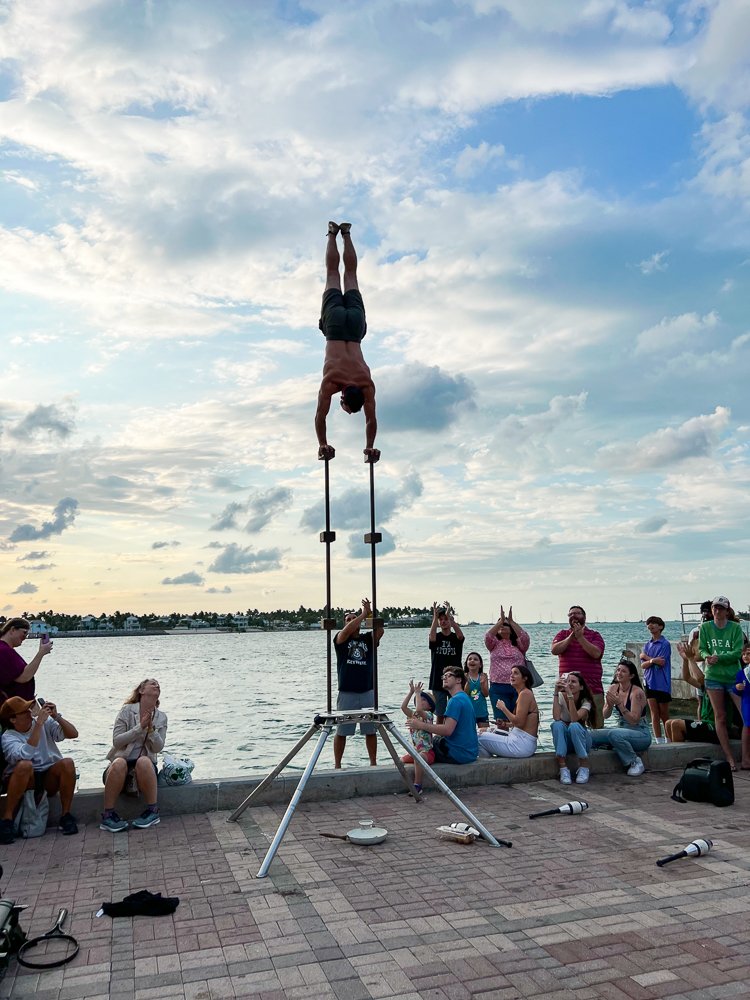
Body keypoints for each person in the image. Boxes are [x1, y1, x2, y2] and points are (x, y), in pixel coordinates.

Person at [315, 222, 378, 463]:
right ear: (342, 397)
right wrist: (322, 443)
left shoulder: (367, 385)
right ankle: (332, 232)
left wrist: (371, 446)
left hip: (355, 328)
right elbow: (320, 417)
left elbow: (371, 419)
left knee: (350, 276)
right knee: (333, 275)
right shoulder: (331, 383)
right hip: (334, 328)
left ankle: (346, 232)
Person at [0, 695, 78, 844]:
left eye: (29, 709)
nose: (30, 713)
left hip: (48, 776)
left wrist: (56, 717)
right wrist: (39, 725)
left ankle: (66, 815)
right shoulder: (8, 737)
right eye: (24, 712)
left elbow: (73, 734)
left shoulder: (44, 723)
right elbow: (26, 754)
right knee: (25, 765)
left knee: (67, 763)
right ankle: (7, 819)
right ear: (12, 719)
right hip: (25, 780)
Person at [100, 678, 167, 832]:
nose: (156, 685)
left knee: (144, 761)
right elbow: (117, 741)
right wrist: (139, 728)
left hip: (145, 770)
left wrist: (151, 731)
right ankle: (108, 816)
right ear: (141, 691)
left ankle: (153, 811)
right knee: (119, 762)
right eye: (152, 683)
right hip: (120, 768)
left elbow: (158, 747)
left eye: (158, 684)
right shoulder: (127, 711)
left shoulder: (161, 717)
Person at [333, 598, 384, 768]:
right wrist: (362, 614)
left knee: (370, 730)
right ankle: (338, 764)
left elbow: (380, 631)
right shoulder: (340, 639)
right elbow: (346, 631)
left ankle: (373, 762)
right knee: (342, 731)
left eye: (353, 619)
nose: (352, 622)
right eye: (348, 619)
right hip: (347, 692)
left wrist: (369, 612)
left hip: (366, 691)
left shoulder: (367, 639)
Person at [665, 638, 741, 745]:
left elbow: (700, 678)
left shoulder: (722, 684)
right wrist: (686, 660)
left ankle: (679, 756)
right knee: (668, 723)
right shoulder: (709, 684)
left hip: (717, 726)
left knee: (676, 724)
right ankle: (672, 751)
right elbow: (687, 678)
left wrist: (691, 659)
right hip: (706, 723)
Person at [698, 596, 744, 771]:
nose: (717, 611)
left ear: (727, 610)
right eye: (715, 608)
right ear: (711, 609)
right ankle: (729, 758)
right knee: (720, 716)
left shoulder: (735, 628)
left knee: (745, 713)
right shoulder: (705, 628)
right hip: (713, 677)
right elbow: (702, 648)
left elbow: (737, 651)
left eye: (721, 608)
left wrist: (720, 658)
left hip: (733, 676)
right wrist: (706, 657)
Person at [591, 656, 651, 775]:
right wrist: (609, 704)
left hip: (640, 733)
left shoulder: (637, 692)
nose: (619, 673)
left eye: (623, 671)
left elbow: (634, 720)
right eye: (618, 670)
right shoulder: (613, 688)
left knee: (614, 734)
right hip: (622, 730)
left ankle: (635, 762)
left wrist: (620, 704)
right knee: (590, 735)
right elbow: (605, 715)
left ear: (631, 676)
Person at [406, 667, 478, 765]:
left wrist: (420, 725)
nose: (444, 678)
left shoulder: (455, 701)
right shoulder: (465, 698)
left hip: (457, 754)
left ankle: (416, 770)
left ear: (459, 680)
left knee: (426, 746)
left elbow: (447, 730)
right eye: (443, 676)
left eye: (448, 676)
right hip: (471, 753)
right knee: (434, 740)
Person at [551, 606, 605, 726]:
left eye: (577, 613)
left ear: (584, 617)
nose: (573, 616)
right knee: (568, 724)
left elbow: (596, 653)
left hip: (593, 688)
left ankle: (597, 745)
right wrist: (572, 636)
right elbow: (554, 650)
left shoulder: (594, 635)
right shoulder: (562, 634)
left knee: (596, 724)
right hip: (568, 691)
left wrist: (580, 637)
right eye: (570, 614)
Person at [477, 664, 539, 759]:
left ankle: (487, 764)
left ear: (525, 678)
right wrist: (506, 725)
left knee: (477, 738)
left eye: (516, 673)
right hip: (518, 738)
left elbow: (519, 723)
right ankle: (489, 762)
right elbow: (522, 724)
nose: (511, 676)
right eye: (511, 673)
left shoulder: (525, 694)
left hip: (521, 744)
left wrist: (503, 708)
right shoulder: (523, 693)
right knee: (481, 730)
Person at [550, 670, 598, 784]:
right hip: (567, 743)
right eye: (568, 681)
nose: (570, 684)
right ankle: (563, 768)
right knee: (556, 724)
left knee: (574, 726)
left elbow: (574, 718)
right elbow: (556, 717)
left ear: (581, 687)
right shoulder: (561, 696)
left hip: (582, 741)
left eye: (573, 682)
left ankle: (584, 766)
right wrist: (556, 693)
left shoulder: (586, 701)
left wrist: (570, 697)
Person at [484, 606, 530, 722]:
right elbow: (488, 636)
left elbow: (525, 637)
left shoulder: (518, 644)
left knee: (520, 721)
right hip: (498, 687)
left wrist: (511, 621)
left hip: (519, 687)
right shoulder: (494, 644)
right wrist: (501, 621)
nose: (503, 626)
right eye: (501, 625)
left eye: (506, 625)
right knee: (501, 721)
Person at [0, 618, 53, 701]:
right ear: (13, 630)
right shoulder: (4, 651)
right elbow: (24, 677)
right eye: (24, 633)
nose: (25, 637)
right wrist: (41, 653)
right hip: (12, 708)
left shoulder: (6, 650)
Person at [428, 603, 465, 723]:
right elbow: (432, 637)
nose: (443, 622)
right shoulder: (436, 637)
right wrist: (434, 617)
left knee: (457, 712)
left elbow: (460, 636)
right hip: (438, 680)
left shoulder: (455, 638)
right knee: (440, 714)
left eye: (446, 619)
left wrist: (451, 617)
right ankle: (439, 738)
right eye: (441, 620)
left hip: (455, 679)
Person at [399, 681, 435, 795]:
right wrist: (411, 693)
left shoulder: (428, 715)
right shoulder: (414, 715)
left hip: (427, 752)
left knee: (418, 758)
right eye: (420, 699)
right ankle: (406, 783)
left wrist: (418, 693)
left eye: (424, 700)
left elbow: (420, 710)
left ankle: (418, 785)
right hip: (415, 751)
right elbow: (403, 707)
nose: (420, 701)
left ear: (430, 706)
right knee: (399, 761)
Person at [640, 616, 672, 744]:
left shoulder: (665, 644)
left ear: (660, 626)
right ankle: (658, 740)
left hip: (662, 683)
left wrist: (647, 658)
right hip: (649, 682)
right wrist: (652, 660)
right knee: (653, 713)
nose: (651, 626)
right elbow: (643, 665)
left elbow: (662, 662)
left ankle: (669, 739)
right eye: (649, 624)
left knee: (664, 713)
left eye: (653, 623)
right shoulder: (647, 644)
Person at [733, 646, 750, 770]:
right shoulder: (742, 672)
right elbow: (736, 688)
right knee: (747, 726)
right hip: (747, 703)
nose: (745, 656)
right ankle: (746, 758)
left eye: (748, 654)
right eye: (743, 654)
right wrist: (737, 687)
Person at [463, 651, 489, 729]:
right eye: (469, 659)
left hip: (482, 711)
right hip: (468, 712)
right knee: (469, 735)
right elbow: (464, 695)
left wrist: (482, 684)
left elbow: (486, 694)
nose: (472, 661)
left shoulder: (483, 676)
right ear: (466, 663)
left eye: (475, 659)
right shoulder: (464, 676)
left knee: (485, 735)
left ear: (480, 664)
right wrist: (467, 683)